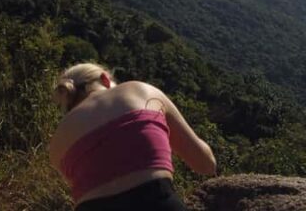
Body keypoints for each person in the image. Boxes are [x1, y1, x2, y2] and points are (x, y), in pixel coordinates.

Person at [49, 62, 217, 210]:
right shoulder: (140, 91)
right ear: (105, 80)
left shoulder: (57, 143)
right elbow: (205, 164)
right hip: (155, 202)